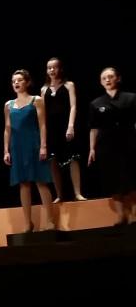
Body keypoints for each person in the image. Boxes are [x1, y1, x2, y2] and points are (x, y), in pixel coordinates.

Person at [4, 70, 56, 232]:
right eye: (14, 81)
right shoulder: (8, 105)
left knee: (41, 181)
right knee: (23, 184)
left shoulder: (36, 100)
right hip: (17, 147)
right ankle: (28, 223)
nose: (16, 83)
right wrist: (6, 150)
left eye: (19, 80)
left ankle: (50, 220)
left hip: (33, 144)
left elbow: (42, 125)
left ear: (27, 82)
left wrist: (43, 146)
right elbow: (7, 129)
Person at [88, 67, 136, 225]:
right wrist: (92, 149)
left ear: (118, 78)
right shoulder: (96, 103)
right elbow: (94, 128)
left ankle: (134, 215)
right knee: (112, 179)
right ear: (101, 82)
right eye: (104, 78)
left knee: (130, 177)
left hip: (128, 142)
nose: (107, 80)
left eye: (110, 77)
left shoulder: (131, 98)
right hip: (106, 146)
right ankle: (121, 216)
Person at [41, 57, 87, 202]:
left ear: (60, 69)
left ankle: (77, 193)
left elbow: (73, 106)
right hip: (51, 128)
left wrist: (71, 126)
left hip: (66, 125)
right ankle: (59, 194)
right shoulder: (44, 89)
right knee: (53, 160)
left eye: (54, 67)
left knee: (73, 158)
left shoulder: (68, 85)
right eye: (49, 68)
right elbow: (42, 112)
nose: (52, 70)